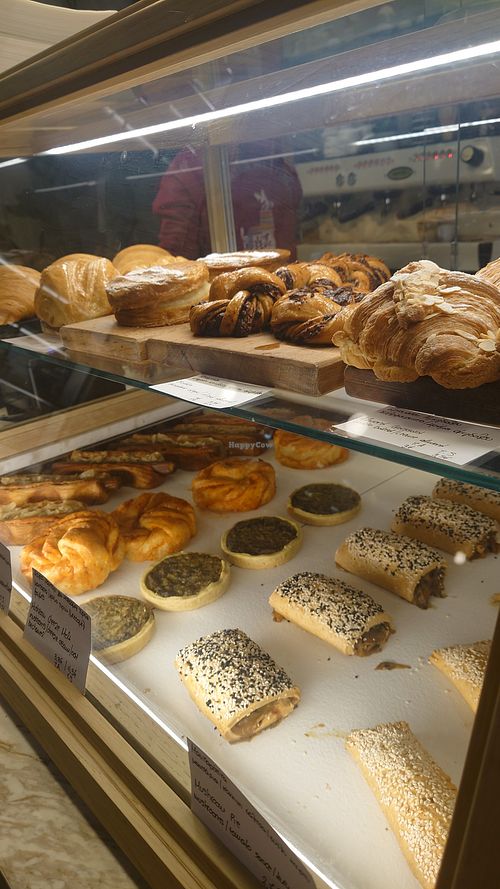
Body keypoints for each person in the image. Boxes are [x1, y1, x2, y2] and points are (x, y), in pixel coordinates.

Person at [152, 142, 302, 259]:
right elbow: (178, 262)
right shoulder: (188, 172)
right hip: (222, 293)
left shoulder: (277, 164)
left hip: (284, 289)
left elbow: (290, 237)